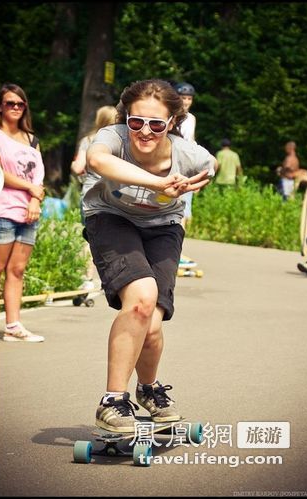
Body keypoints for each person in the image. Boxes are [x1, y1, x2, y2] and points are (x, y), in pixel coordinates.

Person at [83, 78, 215, 432]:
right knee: (141, 300)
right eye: (136, 122)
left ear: (171, 123)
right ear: (125, 119)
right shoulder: (112, 138)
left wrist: (194, 182)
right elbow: (96, 160)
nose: (145, 131)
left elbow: (209, 166)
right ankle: (112, 400)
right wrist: (158, 183)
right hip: (110, 217)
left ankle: (149, 389)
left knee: (152, 323)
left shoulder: (185, 152)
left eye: (156, 124)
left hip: (162, 226)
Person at [0, 83, 45, 343]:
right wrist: (32, 189)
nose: (15, 107)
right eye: (10, 103)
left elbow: (40, 176)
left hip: (29, 214)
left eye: (20, 104)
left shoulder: (32, 139)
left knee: (17, 270)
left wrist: (35, 200)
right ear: (0, 106)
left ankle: (13, 326)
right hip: (1, 211)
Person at [71, 105, 117, 289]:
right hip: (115, 193)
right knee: (117, 234)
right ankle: (115, 277)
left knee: (89, 235)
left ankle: (87, 278)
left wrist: (81, 171)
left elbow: (77, 167)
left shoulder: (88, 140)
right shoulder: (119, 141)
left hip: (91, 193)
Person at [173, 82, 197, 230]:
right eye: (183, 98)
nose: (186, 102)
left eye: (189, 98)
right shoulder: (171, 115)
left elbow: (191, 142)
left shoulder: (191, 118)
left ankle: (179, 237)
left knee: (185, 203)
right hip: (170, 161)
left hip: (185, 163)